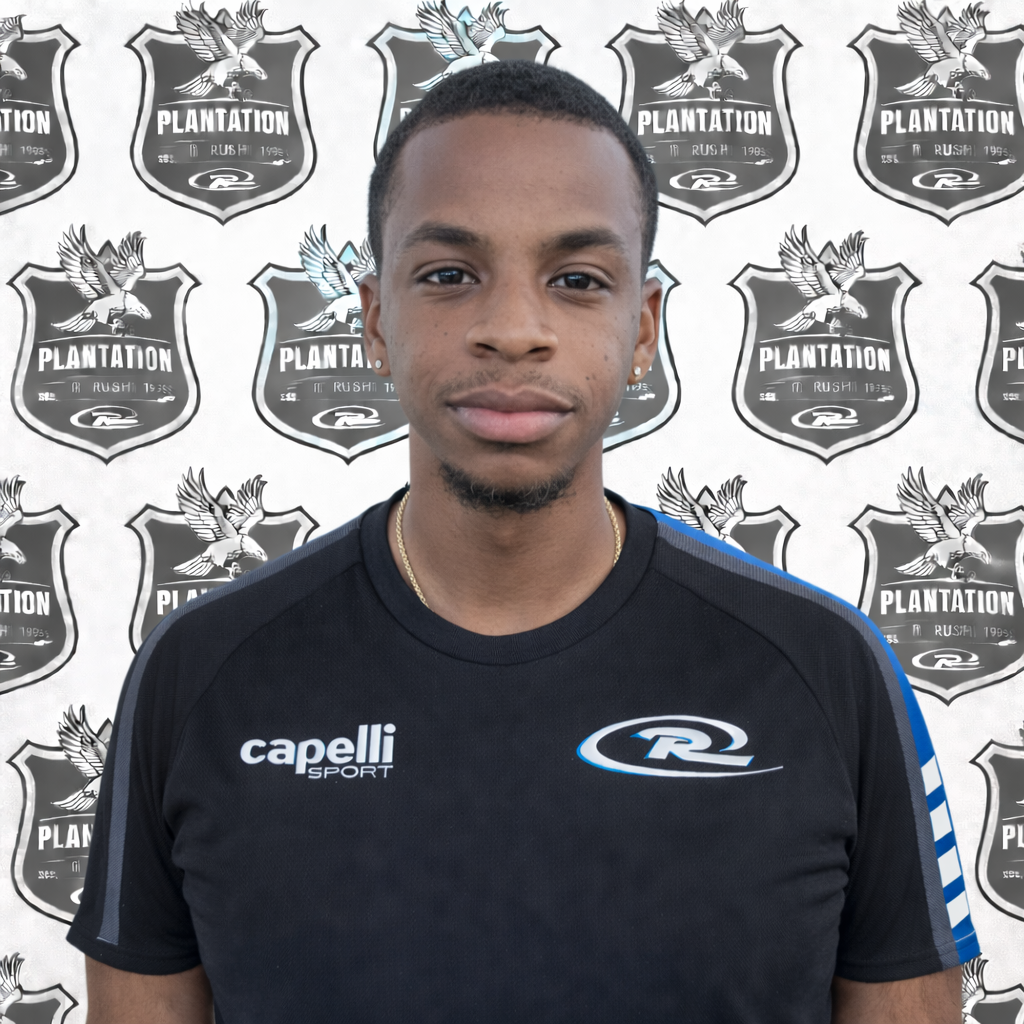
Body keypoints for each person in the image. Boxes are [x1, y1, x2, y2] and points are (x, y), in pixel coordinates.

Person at [69, 61, 978, 1023]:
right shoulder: (201, 670)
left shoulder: (825, 666)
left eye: (577, 280)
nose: (512, 330)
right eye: (449, 275)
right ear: (375, 322)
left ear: (642, 330)